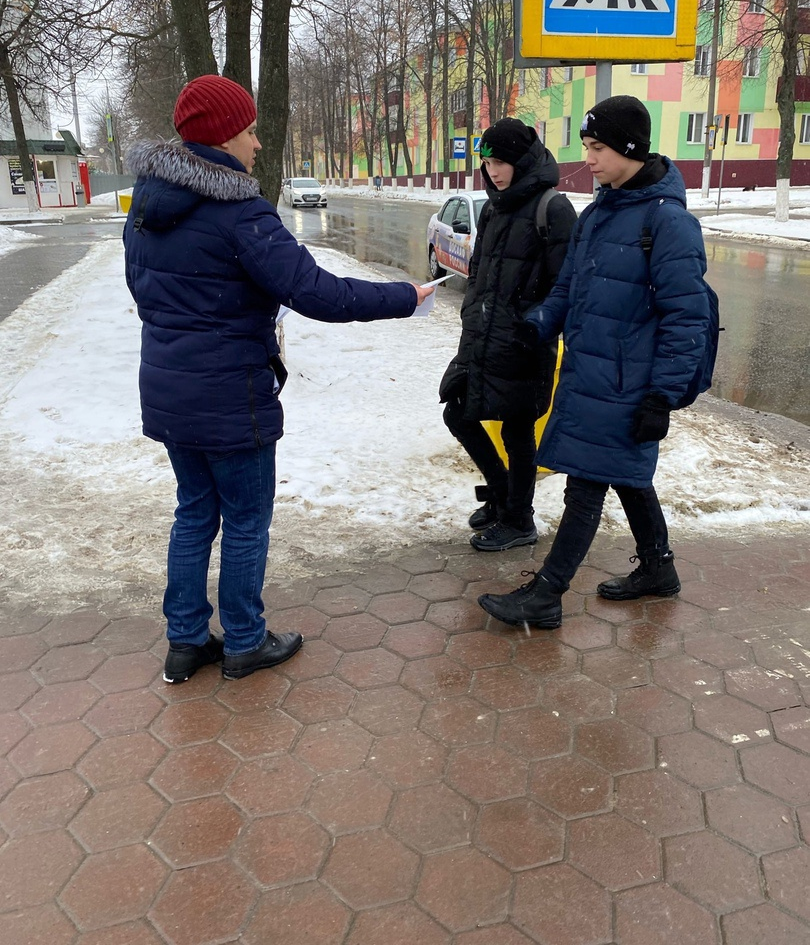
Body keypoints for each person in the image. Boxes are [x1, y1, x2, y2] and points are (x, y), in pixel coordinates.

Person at [123, 74, 433, 683]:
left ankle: (185, 642)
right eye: (250, 130)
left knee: (193, 513)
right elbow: (317, 292)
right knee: (243, 519)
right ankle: (243, 640)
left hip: (168, 389)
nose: (258, 144)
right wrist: (405, 296)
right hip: (231, 396)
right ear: (223, 137)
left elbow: (144, 292)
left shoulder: (145, 211)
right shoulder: (240, 213)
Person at [478, 96, 711, 628]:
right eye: (586, 147)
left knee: (586, 481)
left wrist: (662, 396)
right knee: (627, 475)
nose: (590, 159)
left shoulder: (668, 222)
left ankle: (547, 594)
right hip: (591, 374)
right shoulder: (599, 212)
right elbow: (569, 288)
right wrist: (537, 326)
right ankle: (658, 568)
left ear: (631, 148)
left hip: (630, 383)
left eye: (599, 148)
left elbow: (688, 318)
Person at [439, 117, 576, 552]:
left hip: (523, 343)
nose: (493, 171)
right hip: (482, 336)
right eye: (487, 162)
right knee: (457, 412)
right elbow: (479, 273)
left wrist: (529, 327)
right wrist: (470, 314)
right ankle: (501, 493)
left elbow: (564, 287)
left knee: (518, 433)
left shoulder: (553, 209)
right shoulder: (493, 206)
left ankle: (519, 519)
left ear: (522, 159)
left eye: (501, 161)